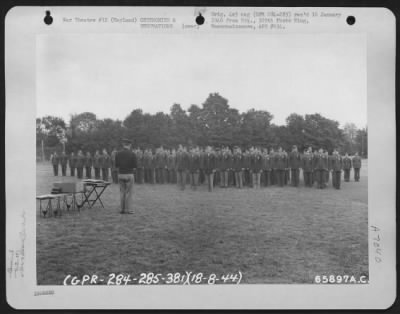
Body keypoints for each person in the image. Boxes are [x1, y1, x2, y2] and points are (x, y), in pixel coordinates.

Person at [115, 138, 137, 214]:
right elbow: (135, 166)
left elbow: (116, 165)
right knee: (129, 193)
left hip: (120, 174)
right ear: (130, 145)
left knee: (122, 192)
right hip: (129, 174)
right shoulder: (133, 154)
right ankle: (128, 209)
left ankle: (122, 209)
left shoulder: (117, 154)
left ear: (123, 145)